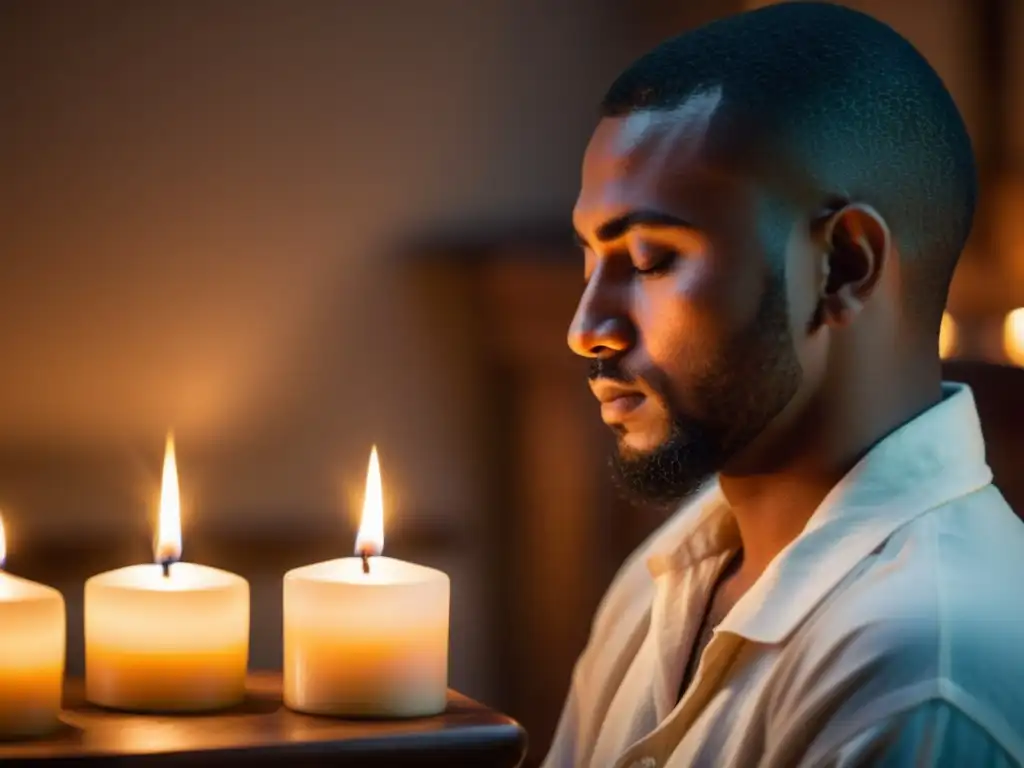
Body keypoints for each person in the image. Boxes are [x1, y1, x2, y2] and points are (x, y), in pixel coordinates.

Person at [544, 3, 1024, 767]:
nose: (586, 327)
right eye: (588, 256)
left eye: (648, 260)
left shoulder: (922, 675)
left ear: (843, 266)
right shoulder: (668, 572)